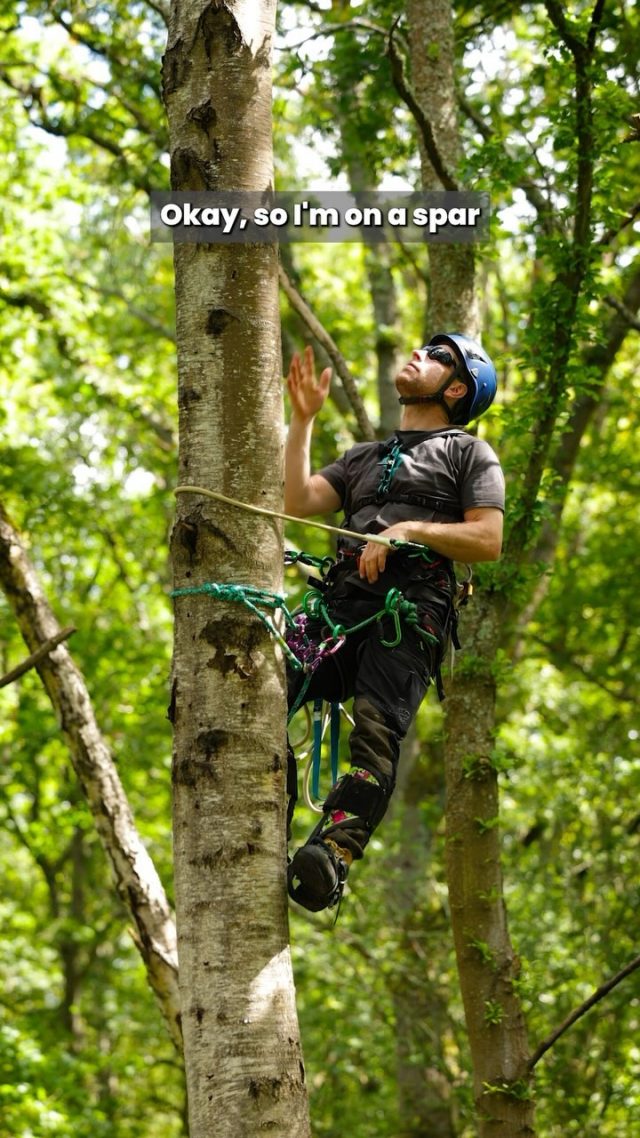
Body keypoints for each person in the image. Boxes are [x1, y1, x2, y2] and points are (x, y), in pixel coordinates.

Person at [285, 333, 505, 912]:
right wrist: (302, 419)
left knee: (375, 736)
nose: (418, 355)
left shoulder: (466, 453)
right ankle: (264, 807)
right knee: (262, 684)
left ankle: (333, 853)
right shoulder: (365, 456)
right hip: (339, 609)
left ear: (455, 388)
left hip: (407, 615)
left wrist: (405, 531)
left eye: (437, 358)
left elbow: (487, 538)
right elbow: (296, 499)